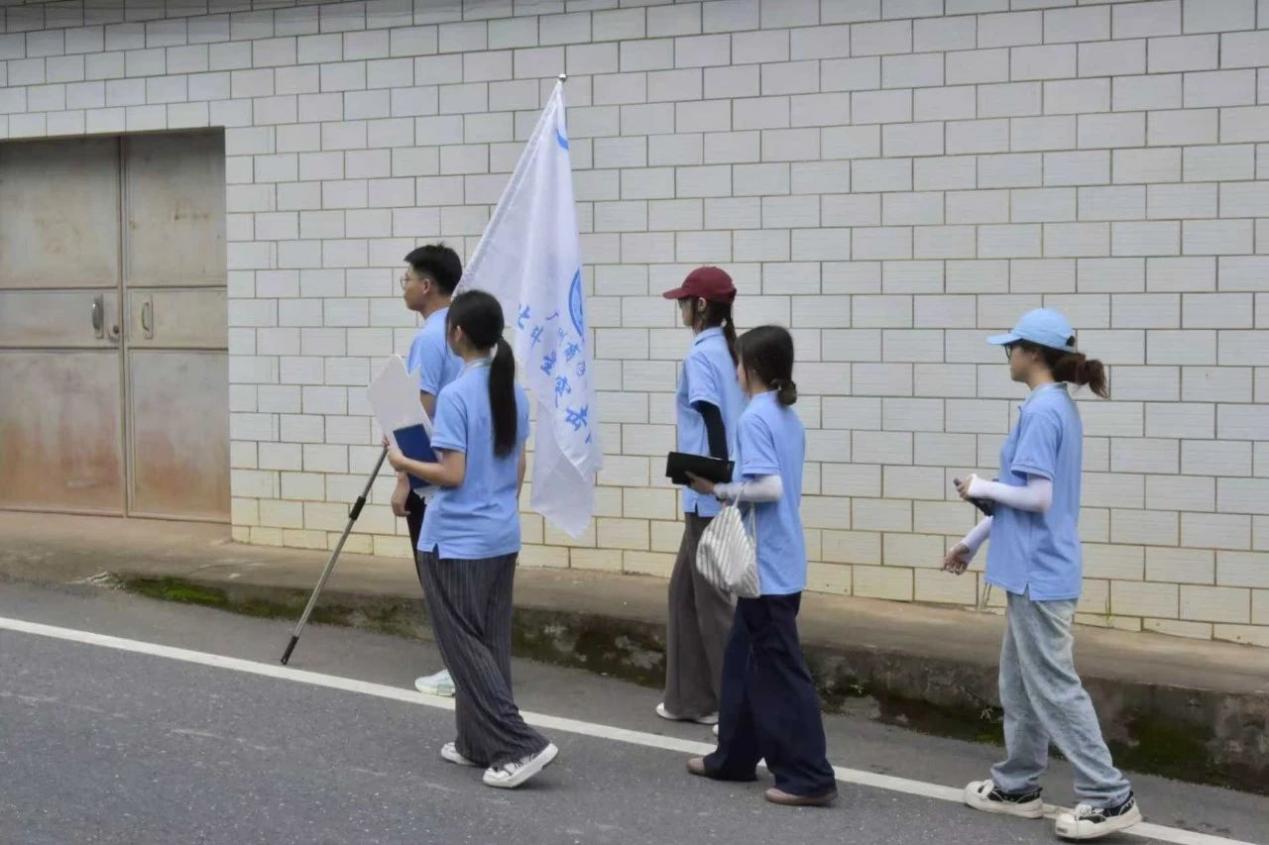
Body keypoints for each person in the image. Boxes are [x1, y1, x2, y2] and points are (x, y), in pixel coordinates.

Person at [943, 309, 1142, 840]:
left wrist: (980, 486)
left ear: (1033, 352)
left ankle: (1110, 796)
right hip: (1031, 569)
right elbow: (1023, 498)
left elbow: (1036, 497)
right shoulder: (1052, 407)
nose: (1007, 355)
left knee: (1053, 686)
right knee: (1019, 685)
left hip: (1038, 573)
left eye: (1012, 347)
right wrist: (971, 541)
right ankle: (1017, 786)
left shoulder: (1043, 411)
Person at [387, 290, 557, 790]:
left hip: (456, 539)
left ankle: (519, 742)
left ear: (456, 333)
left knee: (462, 645)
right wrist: (498, 505)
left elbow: (452, 473)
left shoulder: (457, 395)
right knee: (490, 641)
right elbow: (518, 464)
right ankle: (476, 741)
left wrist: (402, 461)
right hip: (500, 533)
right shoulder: (513, 392)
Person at [684, 325, 838, 808]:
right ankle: (732, 757)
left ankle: (809, 775)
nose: (734, 370)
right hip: (781, 560)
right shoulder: (787, 416)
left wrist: (719, 489)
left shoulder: (754, 417)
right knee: (742, 662)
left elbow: (768, 488)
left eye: (738, 362)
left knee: (780, 673)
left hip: (766, 566)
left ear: (750, 368)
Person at [394, 244, 464, 698]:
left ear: (426, 285)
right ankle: (471, 661)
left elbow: (418, 413)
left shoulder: (428, 339)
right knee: (459, 571)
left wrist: (404, 479)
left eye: (406, 279)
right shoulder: (463, 332)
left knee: (436, 573)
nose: (403, 287)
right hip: (463, 468)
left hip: (432, 473)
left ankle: (456, 666)